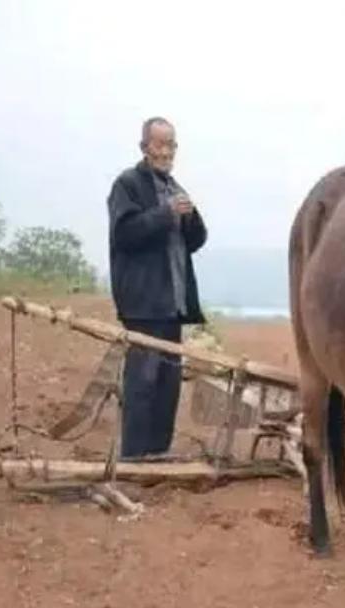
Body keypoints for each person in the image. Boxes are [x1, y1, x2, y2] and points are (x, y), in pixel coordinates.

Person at [106, 117, 208, 460]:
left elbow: (196, 240)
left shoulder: (176, 188)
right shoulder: (128, 185)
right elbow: (124, 234)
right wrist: (166, 214)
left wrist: (190, 217)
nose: (166, 152)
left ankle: (158, 455)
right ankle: (134, 458)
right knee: (142, 382)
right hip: (143, 304)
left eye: (171, 145)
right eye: (159, 144)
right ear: (144, 147)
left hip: (172, 306)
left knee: (168, 385)